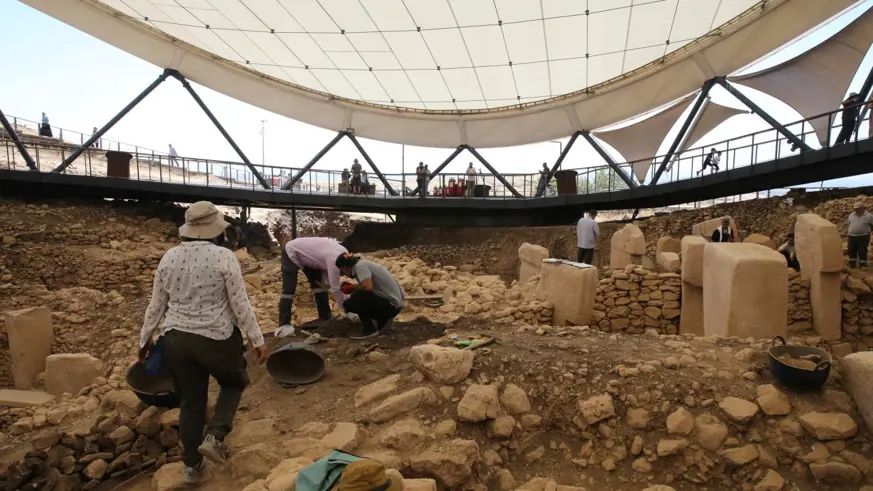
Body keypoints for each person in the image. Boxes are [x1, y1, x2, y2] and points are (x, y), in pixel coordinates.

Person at [138, 201, 268, 486]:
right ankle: (216, 435)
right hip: (216, 339)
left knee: (191, 402)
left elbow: (156, 305)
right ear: (216, 230)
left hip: (175, 340)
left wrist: (144, 340)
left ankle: (192, 468)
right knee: (234, 383)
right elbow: (240, 305)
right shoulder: (224, 258)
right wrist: (257, 339)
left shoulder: (169, 258)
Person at [278, 237, 350, 336]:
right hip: (292, 250)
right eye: (343, 272)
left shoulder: (344, 254)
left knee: (319, 286)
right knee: (289, 289)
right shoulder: (334, 261)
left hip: (311, 257)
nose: (342, 274)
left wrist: (331, 289)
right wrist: (347, 310)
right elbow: (335, 287)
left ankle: (325, 317)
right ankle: (284, 325)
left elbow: (327, 282)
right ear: (343, 267)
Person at [335, 253, 404, 340]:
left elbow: (368, 287)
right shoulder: (363, 264)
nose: (344, 273)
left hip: (391, 306)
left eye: (342, 270)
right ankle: (382, 324)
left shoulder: (360, 266)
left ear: (345, 266)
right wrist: (353, 287)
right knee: (358, 296)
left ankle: (369, 330)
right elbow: (368, 286)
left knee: (354, 300)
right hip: (394, 304)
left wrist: (352, 287)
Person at [848, 202, 873, 269]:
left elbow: (872, 225)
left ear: (863, 208)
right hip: (852, 236)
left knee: (862, 250)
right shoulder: (851, 215)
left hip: (864, 236)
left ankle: (863, 265)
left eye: (858, 209)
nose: (856, 210)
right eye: (855, 209)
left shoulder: (869, 216)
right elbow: (849, 223)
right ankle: (852, 264)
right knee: (851, 250)